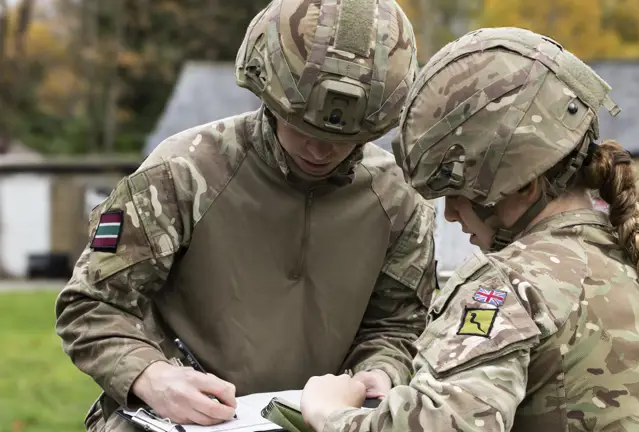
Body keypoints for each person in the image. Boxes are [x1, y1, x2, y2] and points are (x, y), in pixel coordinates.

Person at [299, 27, 639, 431]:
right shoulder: (634, 267)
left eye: (459, 193)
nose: (451, 215)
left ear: (523, 185)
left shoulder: (511, 287)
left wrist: (331, 414)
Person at [54, 0, 438, 430]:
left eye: (345, 138)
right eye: (302, 127)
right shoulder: (183, 173)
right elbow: (91, 304)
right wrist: (152, 377)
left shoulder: (398, 201)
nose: (319, 150)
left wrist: (381, 371)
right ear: (268, 94)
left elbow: (398, 325)